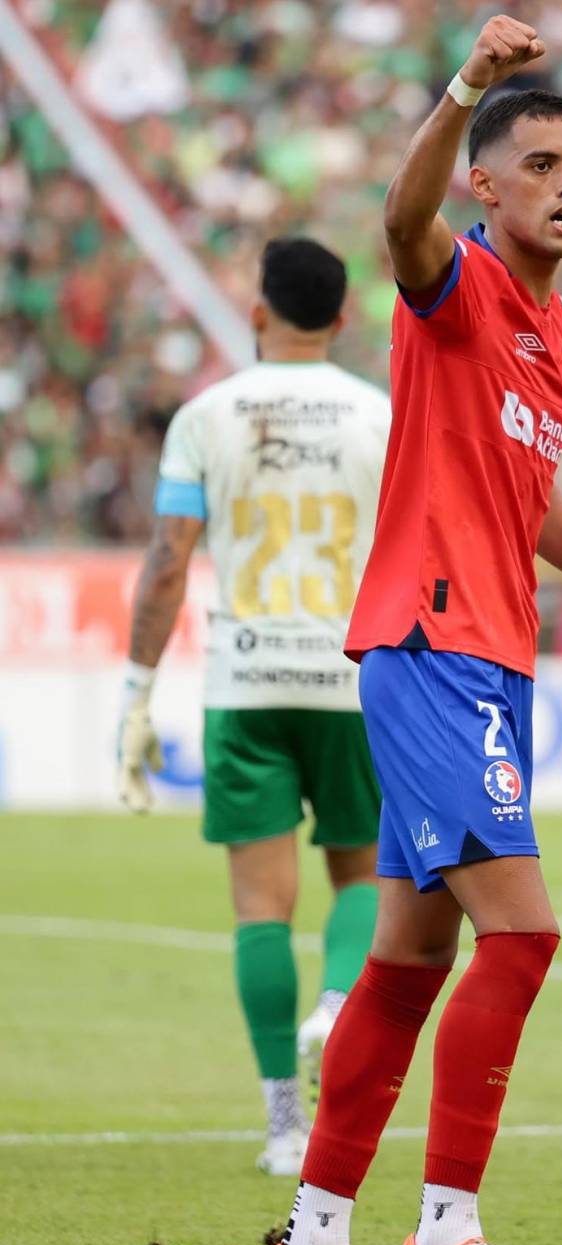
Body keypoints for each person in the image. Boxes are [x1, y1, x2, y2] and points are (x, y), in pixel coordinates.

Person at [266, 16, 562, 1245]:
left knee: (406, 961)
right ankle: (444, 1231)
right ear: (485, 186)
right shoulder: (458, 284)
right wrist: (466, 85)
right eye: (542, 166)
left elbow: (527, 490)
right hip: (432, 639)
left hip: (487, 655)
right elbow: (400, 224)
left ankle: (316, 1239)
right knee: (525, 935)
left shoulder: (552, 335)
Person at [116, 237, 389, 1177]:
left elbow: (168, 561)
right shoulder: (380, 417)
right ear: (343, 319)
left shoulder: (205, 416)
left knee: (259, 910)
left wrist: (136, 695)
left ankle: (283, 1127)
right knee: (365, 877)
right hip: (352, 678)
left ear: (258, 311)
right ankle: (338, 1005)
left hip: (246, 681)